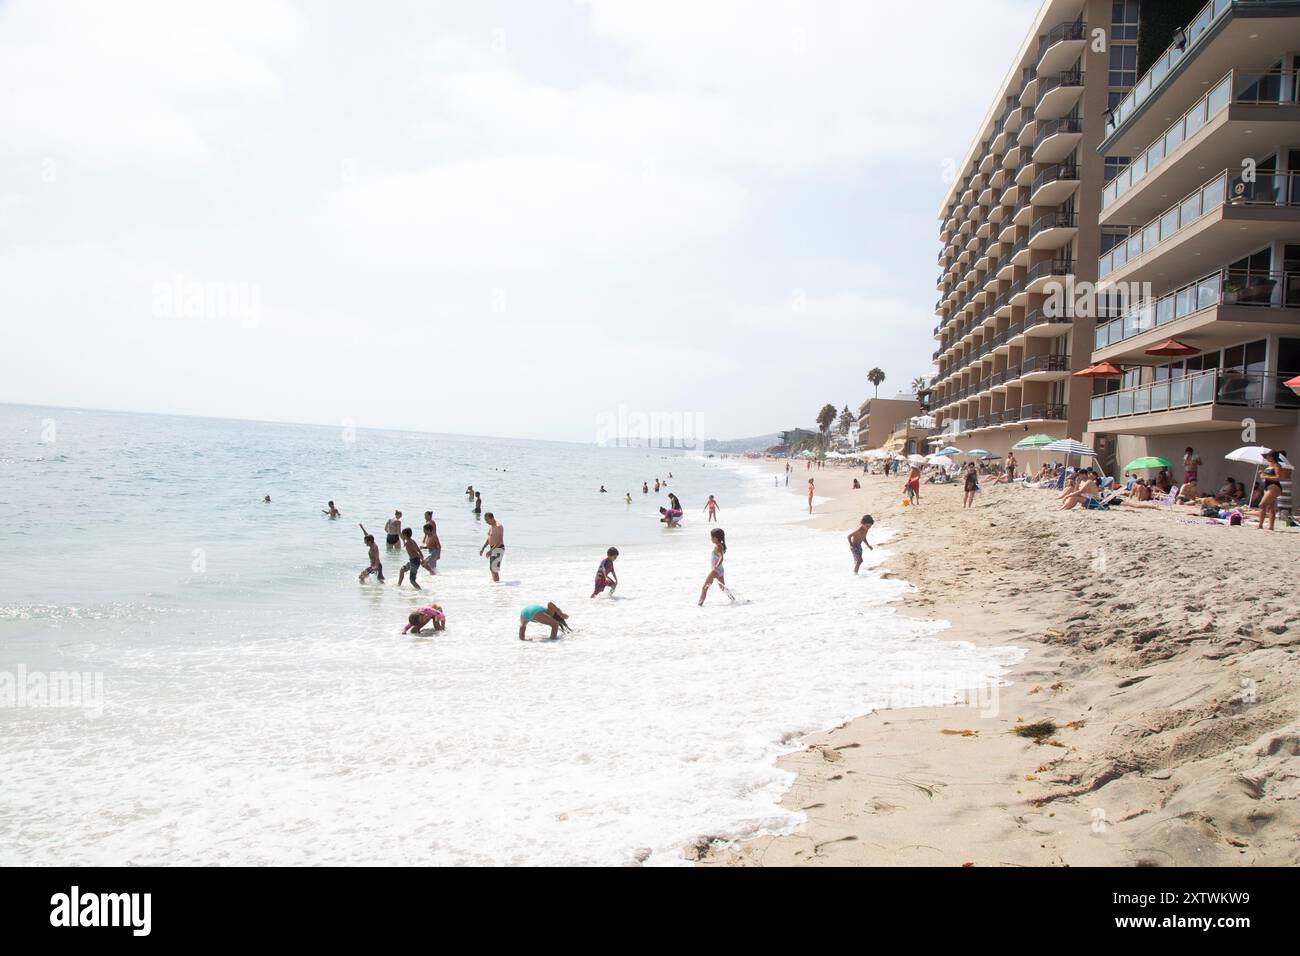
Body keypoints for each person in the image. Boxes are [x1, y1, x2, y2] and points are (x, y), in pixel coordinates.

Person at [698, 528, 734, 606]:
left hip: (715, 570)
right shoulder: (720, 546)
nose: (711, 539)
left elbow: (721, 557)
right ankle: (733, 600)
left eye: (711, 537)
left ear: (716, 538)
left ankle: (699, 605)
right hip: (720, 570)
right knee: (723, 588)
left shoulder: (718, 547)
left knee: (704, 588)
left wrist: (716, 567)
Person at [1258, 450, 1292, 530]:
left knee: (1262, 505)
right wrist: (1262, 474)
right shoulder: (1269, 465)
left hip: (1274, 486)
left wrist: (1266, 476)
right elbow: (1267, 476)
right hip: (1268, 486)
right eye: (1266, 456)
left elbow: (1278, 477)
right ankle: (1270, 527)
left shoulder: (1277, 465)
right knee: (1271, 507)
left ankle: (1260, 525)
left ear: (1273, 457)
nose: (1267, 457)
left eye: (1268, 456)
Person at [480, 513, 505, 581]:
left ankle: (497, 585)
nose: (486, 522)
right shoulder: (491, 526)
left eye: (487, 520)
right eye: (485, 520)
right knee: (492, 569)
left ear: (492, 518)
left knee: (494, 569)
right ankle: (495, 584)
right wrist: (483, 548)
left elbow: (500, 541)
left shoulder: (498, 526)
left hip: (499, 548)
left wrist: (491, 551)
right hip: (493, 548)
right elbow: (489, 539)